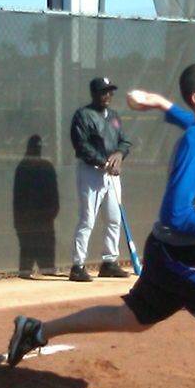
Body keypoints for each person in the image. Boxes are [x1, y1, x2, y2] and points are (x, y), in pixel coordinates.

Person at [6, 62, 195, 388]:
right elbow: (174, 215)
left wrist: (160, 104)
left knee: (130, 320)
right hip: (182, 254)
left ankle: (35, 330)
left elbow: (191, 121)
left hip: (172, 250)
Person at [68, 77, 132, 281]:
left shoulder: (113, 115)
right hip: (92, 172)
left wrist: (119, 155)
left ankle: (109, 262)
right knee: (87, 219)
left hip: (112, 174)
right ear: (94, 93)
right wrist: (104, 162)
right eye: (104, 92)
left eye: (110, 92)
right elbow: (81, 146)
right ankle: (78, 266)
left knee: (114, 218)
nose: (108, 95)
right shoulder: (83, 115)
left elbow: (125, 141)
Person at [13, 134, 59, 278]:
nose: (36, 150)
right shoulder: (23, 167)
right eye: (34, 147)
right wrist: (20, 217)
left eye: (38, 148)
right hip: (26, 217)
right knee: (27, 245)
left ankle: (47, 269)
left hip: (45, 217)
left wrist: (53, 211)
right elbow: (18, 195)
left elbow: (53, 193)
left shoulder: (47, 167)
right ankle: (25, 271)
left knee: (46, 245)